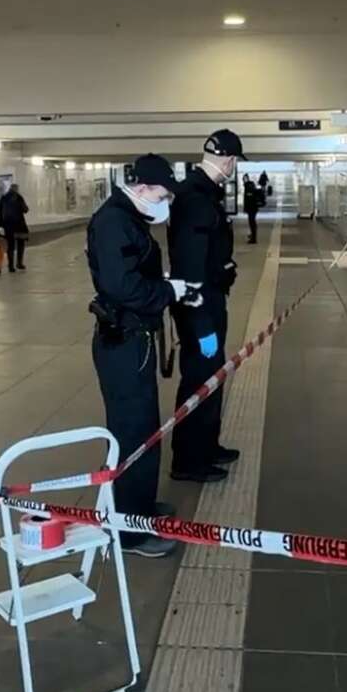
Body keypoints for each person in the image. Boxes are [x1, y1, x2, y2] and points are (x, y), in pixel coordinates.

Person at [86, 154, 201, 557]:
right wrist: (170, 292)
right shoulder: (114, 220)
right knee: (132, 431)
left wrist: (169, 285)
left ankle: (139, 508)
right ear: (141, 186)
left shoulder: (127, 217)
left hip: (135, 337)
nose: (166, 202)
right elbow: (123, 287)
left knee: (143, 426)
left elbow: (135, 274)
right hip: (124, 340)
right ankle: (129, 532)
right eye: (163, 193)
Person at [167, 129, 245, 481]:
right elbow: (189, 267)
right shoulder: (195, 198)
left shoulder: (204, 193)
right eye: (234, 162)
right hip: (200, 307)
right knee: (198, 378)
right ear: (228, 160)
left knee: (212, 376)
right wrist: (202, 326)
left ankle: (207, 445)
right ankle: (187, 459)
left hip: (210, 301)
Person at [0, 182, 30, 271]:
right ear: (16, 189)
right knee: (20, 244)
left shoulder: (3, 198)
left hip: (8, 226)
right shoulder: (19, 197)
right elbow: (25, 210)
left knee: (11, 246)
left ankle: (11, 266)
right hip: (19, 225)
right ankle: (19, 263)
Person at [242, 175, 261, 244]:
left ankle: (253, 238)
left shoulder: (248, 187)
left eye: (244, 179)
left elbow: (248, 200)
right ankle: (253, 235)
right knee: (252, 222)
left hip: (251, 208)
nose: (243, 181)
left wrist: (246, 208)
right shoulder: (249, 186)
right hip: (253, 208)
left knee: (252, 223)